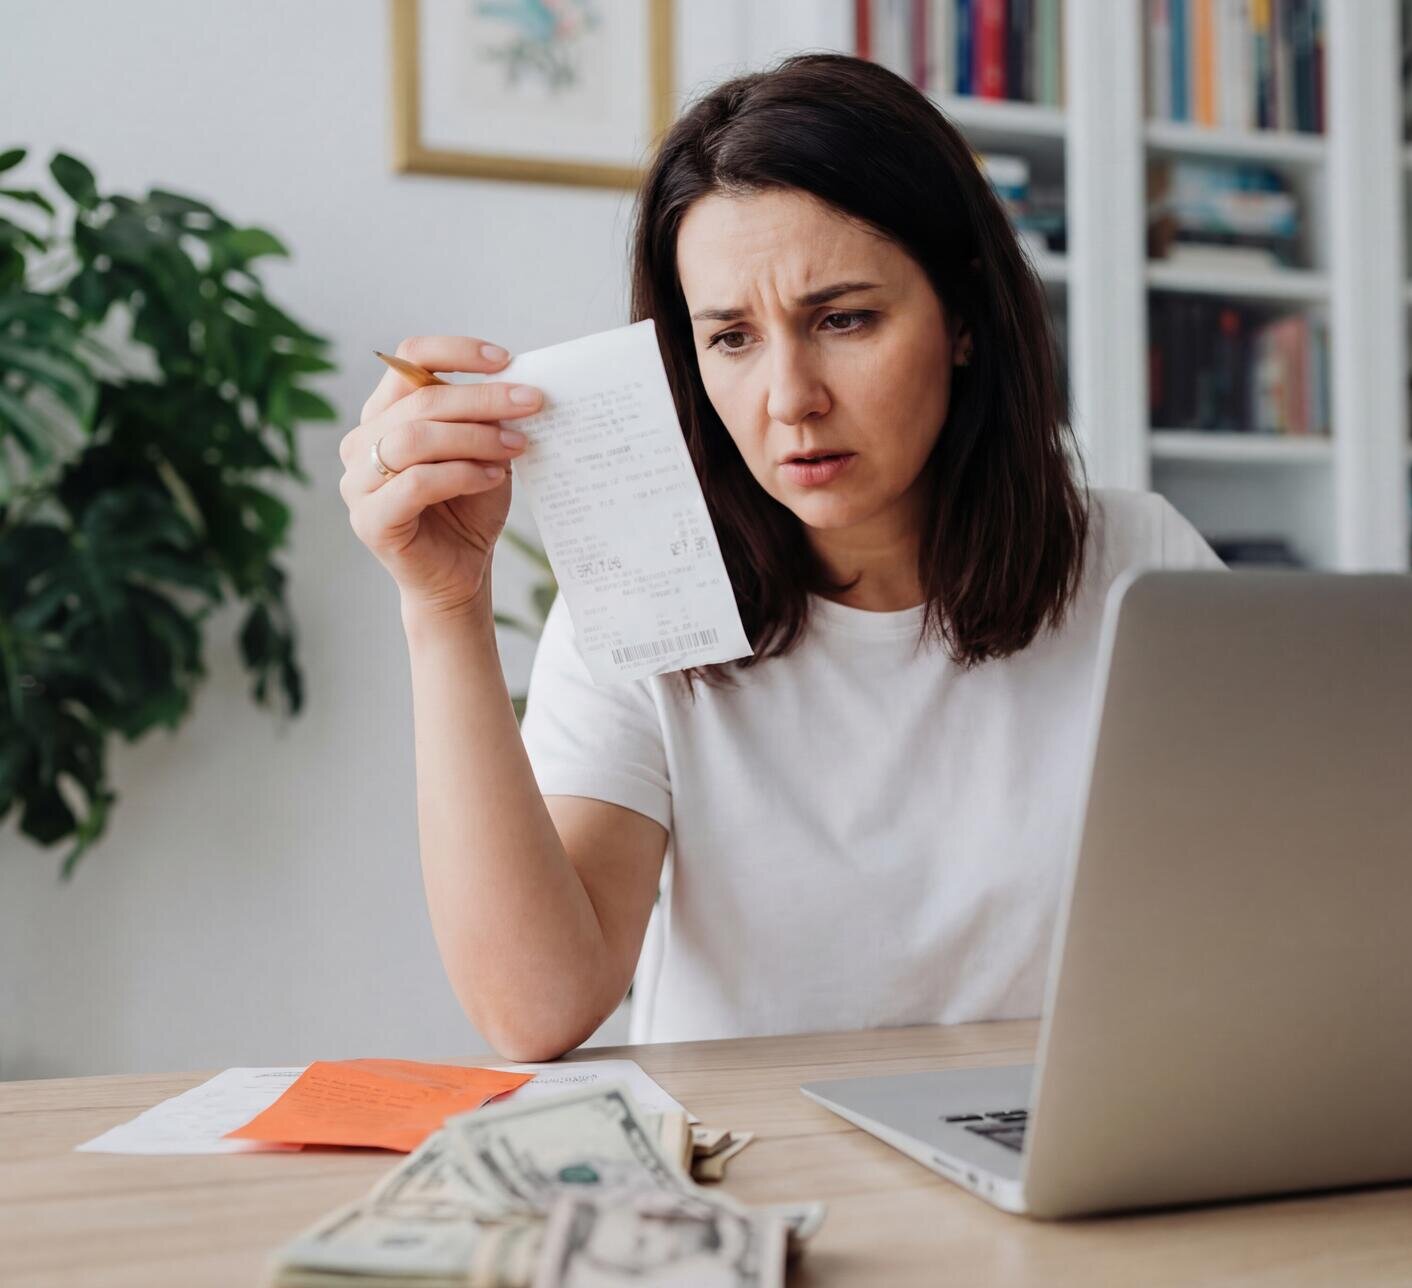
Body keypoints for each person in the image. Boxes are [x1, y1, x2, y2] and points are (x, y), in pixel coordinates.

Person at [337, 53, 1225, 1062]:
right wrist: (444, 608)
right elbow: (535, 1009)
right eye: (731, 339)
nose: (789, 397)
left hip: (1059, 1164)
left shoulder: (1141, 568)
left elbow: (1285, 910)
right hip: (759, 1174)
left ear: (964, 318)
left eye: (842, 319)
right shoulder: (639, 607)